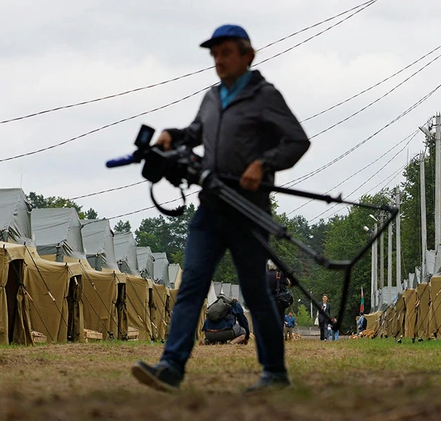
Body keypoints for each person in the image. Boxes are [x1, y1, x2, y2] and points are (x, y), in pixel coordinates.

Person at [132, 24, 310, 393]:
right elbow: (196, 131)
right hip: (210, 208)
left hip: (249, 209)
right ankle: (171, 366)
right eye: (214, 54)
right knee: (192, 284)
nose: (219, 61)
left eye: (226, 53)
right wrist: (173, 135)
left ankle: (274, 373)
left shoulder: (265, 96)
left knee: (256, 292)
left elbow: (297, 141)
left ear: (248, 55)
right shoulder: (212, 98)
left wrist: (264, 163)